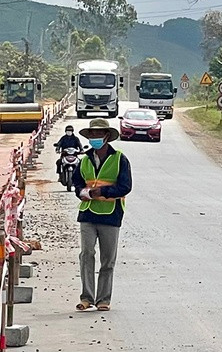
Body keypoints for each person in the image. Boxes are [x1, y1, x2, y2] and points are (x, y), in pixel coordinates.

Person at [71, 118, 132, 312]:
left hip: (110, 215)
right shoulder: (84, 160)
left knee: (108, 259)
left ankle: (103, 299)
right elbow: (77, 183)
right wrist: (82, 192)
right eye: (92, 134)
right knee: (86, 254)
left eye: (98, 134)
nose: (95, 137)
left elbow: (125, 186)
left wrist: (103, 193)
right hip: (87, 214)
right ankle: (87, 297)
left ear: (106, 136)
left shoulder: (120, 159)